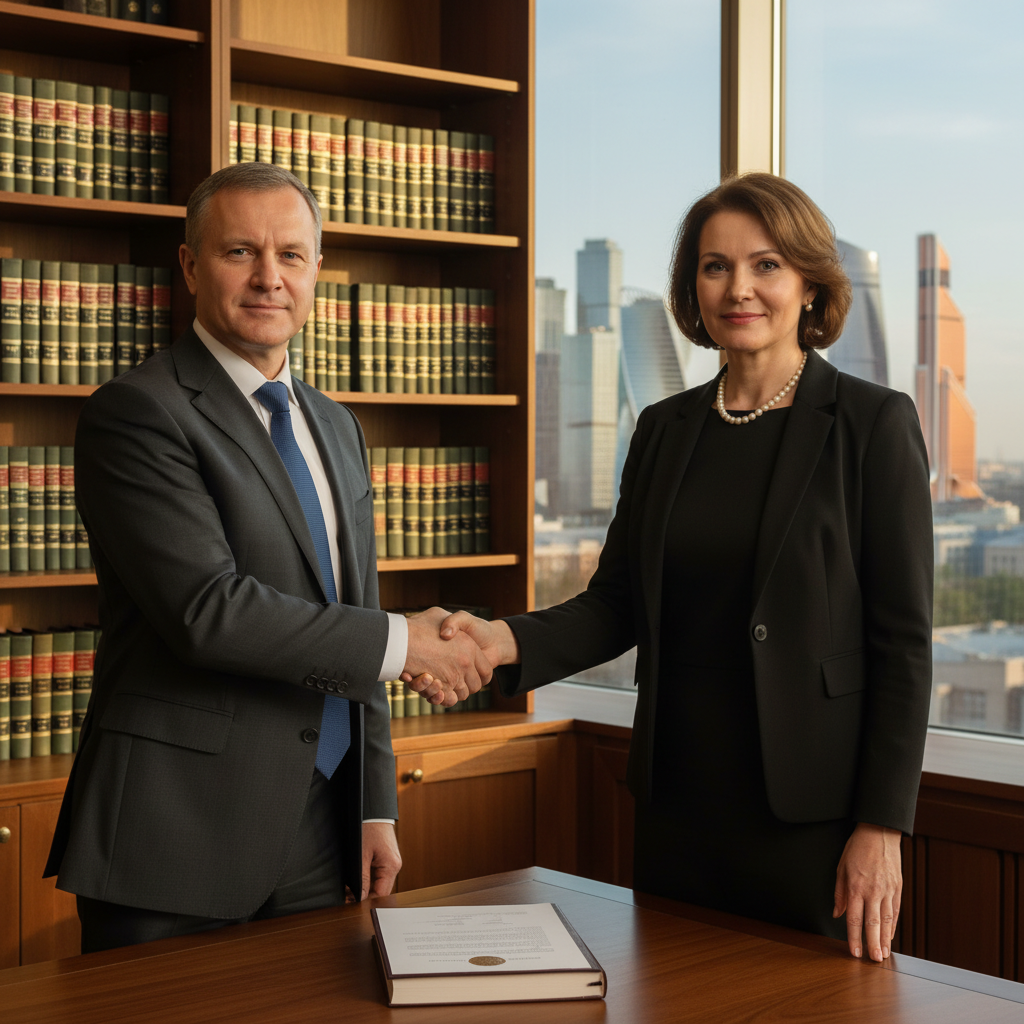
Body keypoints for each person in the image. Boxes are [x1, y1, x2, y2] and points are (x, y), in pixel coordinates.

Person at [432, 173, 933, 962]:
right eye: (715, 266)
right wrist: (501, 643)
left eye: (766, 265)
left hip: (815, 816)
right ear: (692, 287)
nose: (739, 288)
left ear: (810, 283)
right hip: (680, 803)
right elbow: (617, 603)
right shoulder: (664, 428)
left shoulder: (872, 423)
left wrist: (882, 826)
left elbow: (903, 645)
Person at [44, 162, 490, 953]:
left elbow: (354, 613)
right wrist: (407, 643)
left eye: (290, 254)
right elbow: (207, 612)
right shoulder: (138, 412)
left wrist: (373, 804)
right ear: (191, 267)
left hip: (321, 827)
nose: (268, 278)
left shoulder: (337, 425)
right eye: (239, 252)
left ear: (317, 269)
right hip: (174, 832)